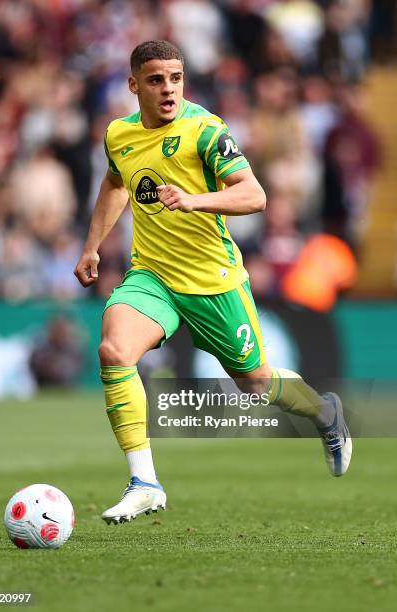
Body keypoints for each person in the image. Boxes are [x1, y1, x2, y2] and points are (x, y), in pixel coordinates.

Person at [74, 40, 352, 525]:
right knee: (114, 352)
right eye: (157, 79)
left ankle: (325, 413)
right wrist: (92, 246)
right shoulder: (119, 134)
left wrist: (193, 200)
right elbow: (117, 183)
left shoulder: (205, 130)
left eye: (176, 78)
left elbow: (254, 195)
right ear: (134, 84)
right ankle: (145, 481)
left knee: (255, 381)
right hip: (153, 275)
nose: (168, 89)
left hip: (213, 282)